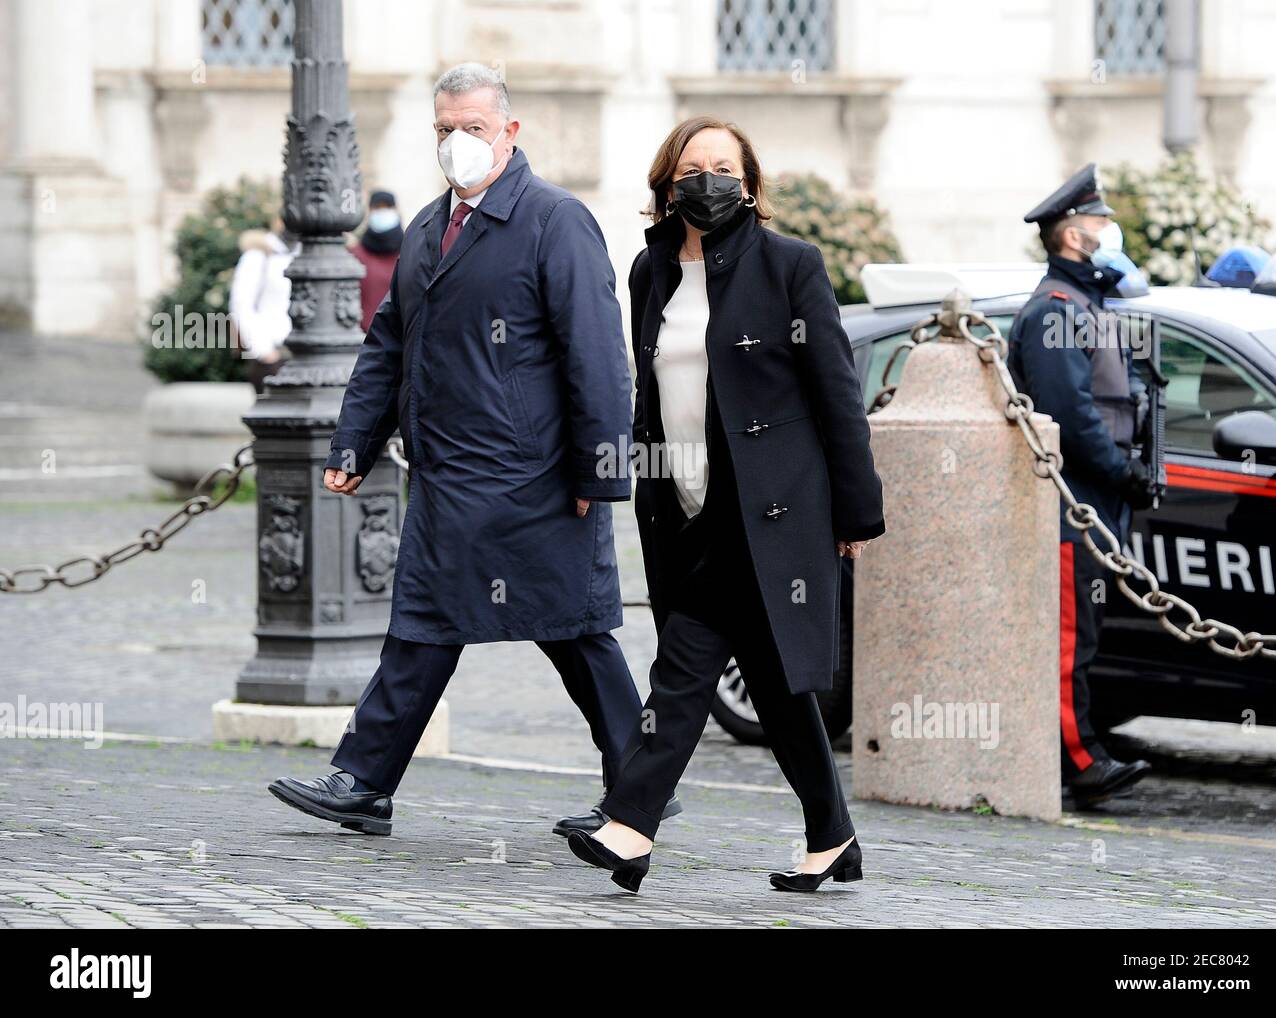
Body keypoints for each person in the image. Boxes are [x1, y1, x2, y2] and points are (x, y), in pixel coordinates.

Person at [268, 62, 680, 836]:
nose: (457, 142)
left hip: (539, 481)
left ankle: (639, 782)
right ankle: (363, 781)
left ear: (510, 133)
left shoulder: (557, 220)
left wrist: (601, 467)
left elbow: (595, 352)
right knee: (424, 622)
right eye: (444, 130)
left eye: (473, 128)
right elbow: (389, 346)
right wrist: (354, 440)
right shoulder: (427, 228)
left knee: (576, 632)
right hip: (451, 477)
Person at [565, 116, 885, 894]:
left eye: (722, 167)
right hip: (683, 502)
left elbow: (836, 395)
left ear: (747, 183)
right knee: (775, 687)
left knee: (684, 668)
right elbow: (650, 392)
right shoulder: (651, 274)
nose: (706, 179)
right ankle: (833, 836)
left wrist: (855, 514)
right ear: (668, 183)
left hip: (769, 508)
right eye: (692, 167)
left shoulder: (790, 267)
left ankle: (631, 825)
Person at [1007, 163, 1155, 808]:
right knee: (1072, 635)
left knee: (1085, 632)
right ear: (1073, 236)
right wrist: (1121, 472)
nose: (1109, 231)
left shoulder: (1086, 304)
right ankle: (1078, 758)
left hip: (1095, 498)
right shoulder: (1056, 310)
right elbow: (1071, 413)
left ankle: (1080, 750)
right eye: (1100, 222)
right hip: (1073, 499)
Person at [229, 217, 298, 392]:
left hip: (304, 354)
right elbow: (241, 304)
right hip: (273, 355)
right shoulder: (259, 255)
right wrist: (263, 351)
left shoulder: (306, 252)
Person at [353, 190, 403, 331]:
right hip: (362, 339)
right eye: (377, 208)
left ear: (395, 210)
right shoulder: (355, 255)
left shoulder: (410, 251)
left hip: (399, 340)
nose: (382, 212)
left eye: (387, 207)